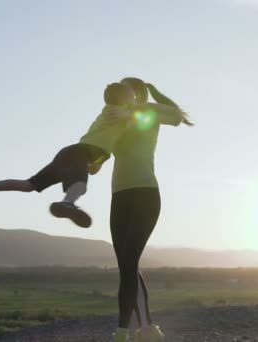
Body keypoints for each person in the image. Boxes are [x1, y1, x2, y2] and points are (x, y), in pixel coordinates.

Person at [0, 82, 185, 228]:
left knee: (29, 185)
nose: (134, 100)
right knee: (80, 186)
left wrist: (95, 164)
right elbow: (161, 115)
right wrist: (148, 102)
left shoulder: (111, 120)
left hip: (72, 155)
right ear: (122, 99)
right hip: (77, 154)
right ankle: (68, 204)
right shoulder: (116, 111)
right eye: (130, 96)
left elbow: (95, 168)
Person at [105, 77, 191, 342]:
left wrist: (156, 92)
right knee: (126, 265)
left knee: (129, 261)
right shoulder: (115, 117)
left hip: (145, 193)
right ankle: (148, 330)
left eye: (129, 90)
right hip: (119, 196)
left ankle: (122, 333)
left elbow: (177, 115)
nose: (124, 95)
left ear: (138, 94)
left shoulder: (149, 112)